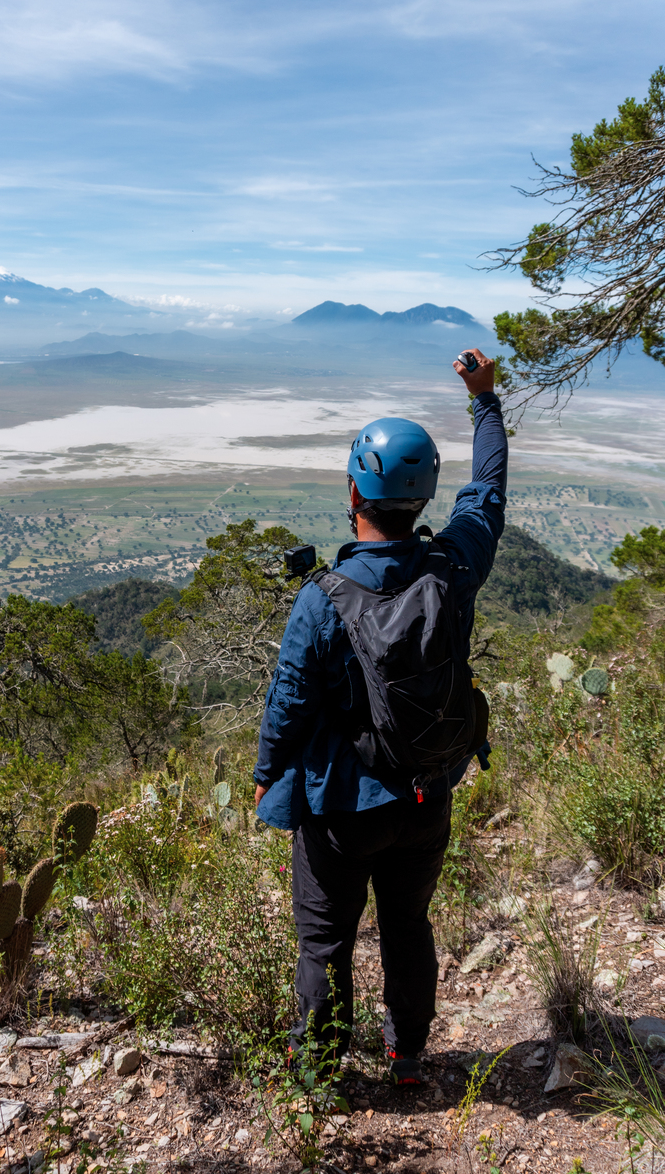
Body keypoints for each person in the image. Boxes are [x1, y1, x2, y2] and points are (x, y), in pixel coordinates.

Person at [252, 348, 508, 1084]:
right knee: (407, 925)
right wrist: (484, 400)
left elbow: (288, 706)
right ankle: (406, 1057)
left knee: (324, 942)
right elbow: (486, 492)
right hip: (426, 790)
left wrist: (271, 780)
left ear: (356, 492)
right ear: (423, 496)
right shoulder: (454, 568)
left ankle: (319, 1076)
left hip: (340, 807)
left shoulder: (323, 597)